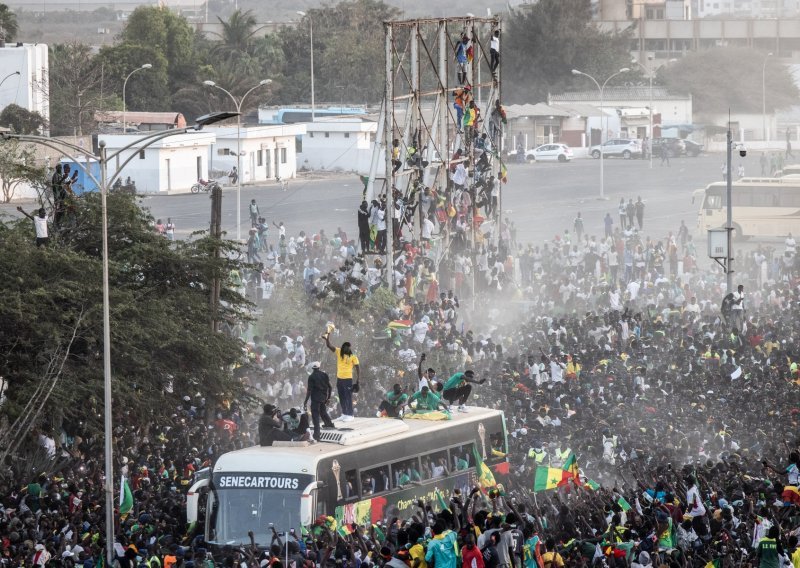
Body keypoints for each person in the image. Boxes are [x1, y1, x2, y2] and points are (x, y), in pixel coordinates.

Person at [323, 334, 360, 421]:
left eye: (348, 347)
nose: (346, 348)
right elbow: (329, 345)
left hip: (348, 379)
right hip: (339, 379)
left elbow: (358, 368)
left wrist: (358, 380)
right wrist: (327, 338)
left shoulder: (353, 357)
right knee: (342, 396)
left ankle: (350, 415)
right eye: (345, 347)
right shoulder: (339, 352)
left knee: (348, 396)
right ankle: (344, 413)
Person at [303, 362, 335, 440]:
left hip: (315, 399)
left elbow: (309, 390)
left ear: (313, 369)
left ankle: (317, 436)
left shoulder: (311, 377)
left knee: (315, 416)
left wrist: (305, 401)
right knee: (323, 411)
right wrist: (328, 398)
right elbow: (330, 387)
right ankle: (329, 424)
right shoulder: (324, 375)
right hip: (323, 398)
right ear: (319, 368)